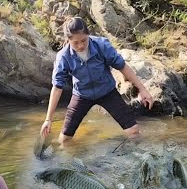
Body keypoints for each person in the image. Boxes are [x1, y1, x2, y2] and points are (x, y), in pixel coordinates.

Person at [40, 16, 154, 145]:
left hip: (107, 92)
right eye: (75, 43)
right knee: (65, 140)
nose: (81, 45)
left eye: (84, 40)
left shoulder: (101, 45)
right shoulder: (63, 57)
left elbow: (122, 66)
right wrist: (48, 119)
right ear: (68, 40)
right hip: (82, 95)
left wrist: (143, 89)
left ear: (88, 35)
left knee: (133, 131)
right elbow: (57, 87)